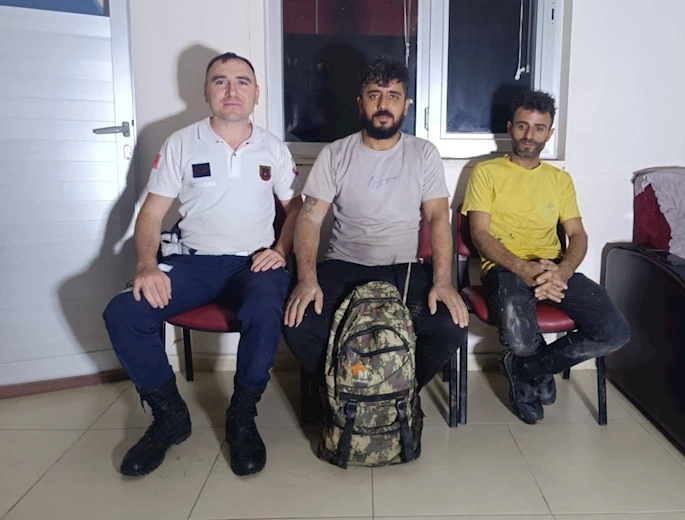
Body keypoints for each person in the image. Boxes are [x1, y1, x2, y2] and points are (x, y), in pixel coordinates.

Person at [103, 52, 302, 477]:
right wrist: (146, 265)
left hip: (254, 263)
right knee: (123, 312)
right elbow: (151, 214)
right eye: (220, 81)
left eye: (242, 81)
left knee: (265, 306)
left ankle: (242, 415)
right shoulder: (180, 142)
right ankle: (170, 417)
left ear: (257, 93)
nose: (232, 90)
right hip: (194, 263)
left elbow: (295, 209)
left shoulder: (273, 147)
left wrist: (282, 250)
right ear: (205, 91)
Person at [282, 56, 468, 399]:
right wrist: (307, 279)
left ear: (406, 105)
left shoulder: (423, 153)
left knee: (449, 325)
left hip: (405, 270)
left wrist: (443, 281)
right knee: (299, 324)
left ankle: (398, 394)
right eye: (374, 95)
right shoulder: (336, 154)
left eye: (393, 96)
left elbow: (438, 218)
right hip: (344, 265)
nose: (383, 105)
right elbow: (309, 218)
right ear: (360, 102)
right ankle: (344, 394)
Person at [461, 89, 630, 424]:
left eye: (539, 128)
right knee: (520, 338)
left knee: (615, 332)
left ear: (549, 133)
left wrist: (562, 272)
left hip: (553, 268)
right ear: (510, 128)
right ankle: (532, 366)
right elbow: (480, 234)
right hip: (506, 268)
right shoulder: (486, 172)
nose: (529, 135)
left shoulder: (560, 180)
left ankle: (526, 370)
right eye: (522, 126)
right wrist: (524, 269)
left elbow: (578, 235)